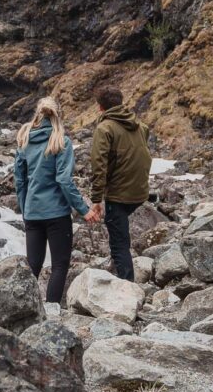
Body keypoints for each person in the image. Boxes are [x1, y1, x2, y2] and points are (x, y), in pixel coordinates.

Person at [14, 95, 90, 318]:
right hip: (57, 213)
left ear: (37, 113)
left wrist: (25, 208)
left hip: (33, 213)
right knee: (59, 265)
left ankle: (21, 312)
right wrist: (84, 210)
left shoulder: (24, 140)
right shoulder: (61, 141)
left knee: (33, 266)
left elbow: (20, 181)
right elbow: (64, 180)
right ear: (58, 115)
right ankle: (52, 313)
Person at [84, 84, 152, 282]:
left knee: (119, 242)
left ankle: (127, 286)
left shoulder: (104, 128)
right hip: (139, 191)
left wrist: (96, 199)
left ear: (100, 107)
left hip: (118, 194)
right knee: (121, 233)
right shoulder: (139, 125)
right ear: (121, 103)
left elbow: (99, 165)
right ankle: (120, 272)